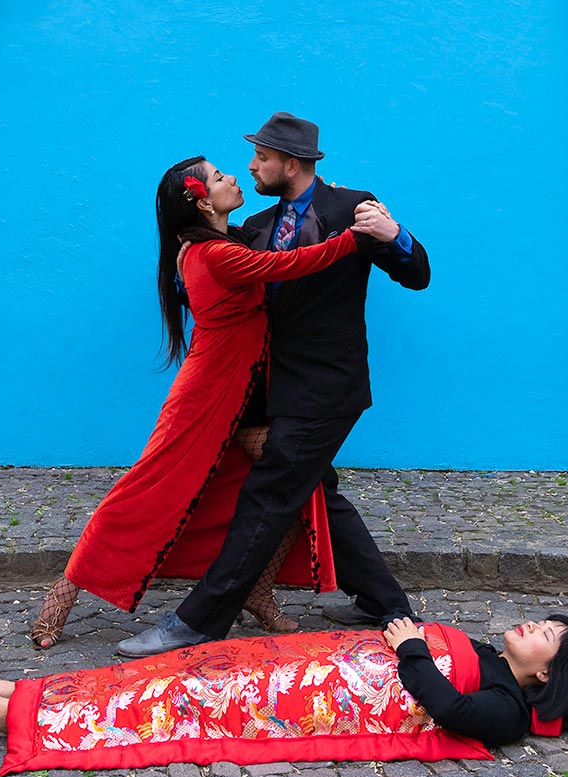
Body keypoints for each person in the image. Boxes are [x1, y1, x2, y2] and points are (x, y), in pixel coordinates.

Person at [30, 156, 396, 649]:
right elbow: (288, 263)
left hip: (248, 396)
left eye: (238, 168)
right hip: (209, 399)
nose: (236, 175)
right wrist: (357, 237)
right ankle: (63, 600)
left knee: (305, 487)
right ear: (201, 198)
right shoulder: (215, 254)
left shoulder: (223, 242)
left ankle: (277, 595)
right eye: (220, 177)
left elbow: (272, 242)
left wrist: (346, 207)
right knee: (148, 493)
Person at [118, 112, 432, 658]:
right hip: (275, 392)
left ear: (289, 164)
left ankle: (197, 620)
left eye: (260, 158)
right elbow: (220, 292)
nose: (250, 166)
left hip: (328, 388)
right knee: (315, 491)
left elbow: (418, 272)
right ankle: (388, 604)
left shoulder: (352, 207)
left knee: (266, 499)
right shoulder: (256, 229)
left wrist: (395, 235)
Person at [0, 613, 568, 774]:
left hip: (322, 695)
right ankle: (35, 692)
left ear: (546, 674)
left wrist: (409, 649)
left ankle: (28, 720)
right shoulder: (487, 656)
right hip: (323, 660)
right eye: (539, 620)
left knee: (195, 699)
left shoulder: (508, 712)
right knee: (196, 662)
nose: (529, 626)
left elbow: (452, 709)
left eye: (544, 634)